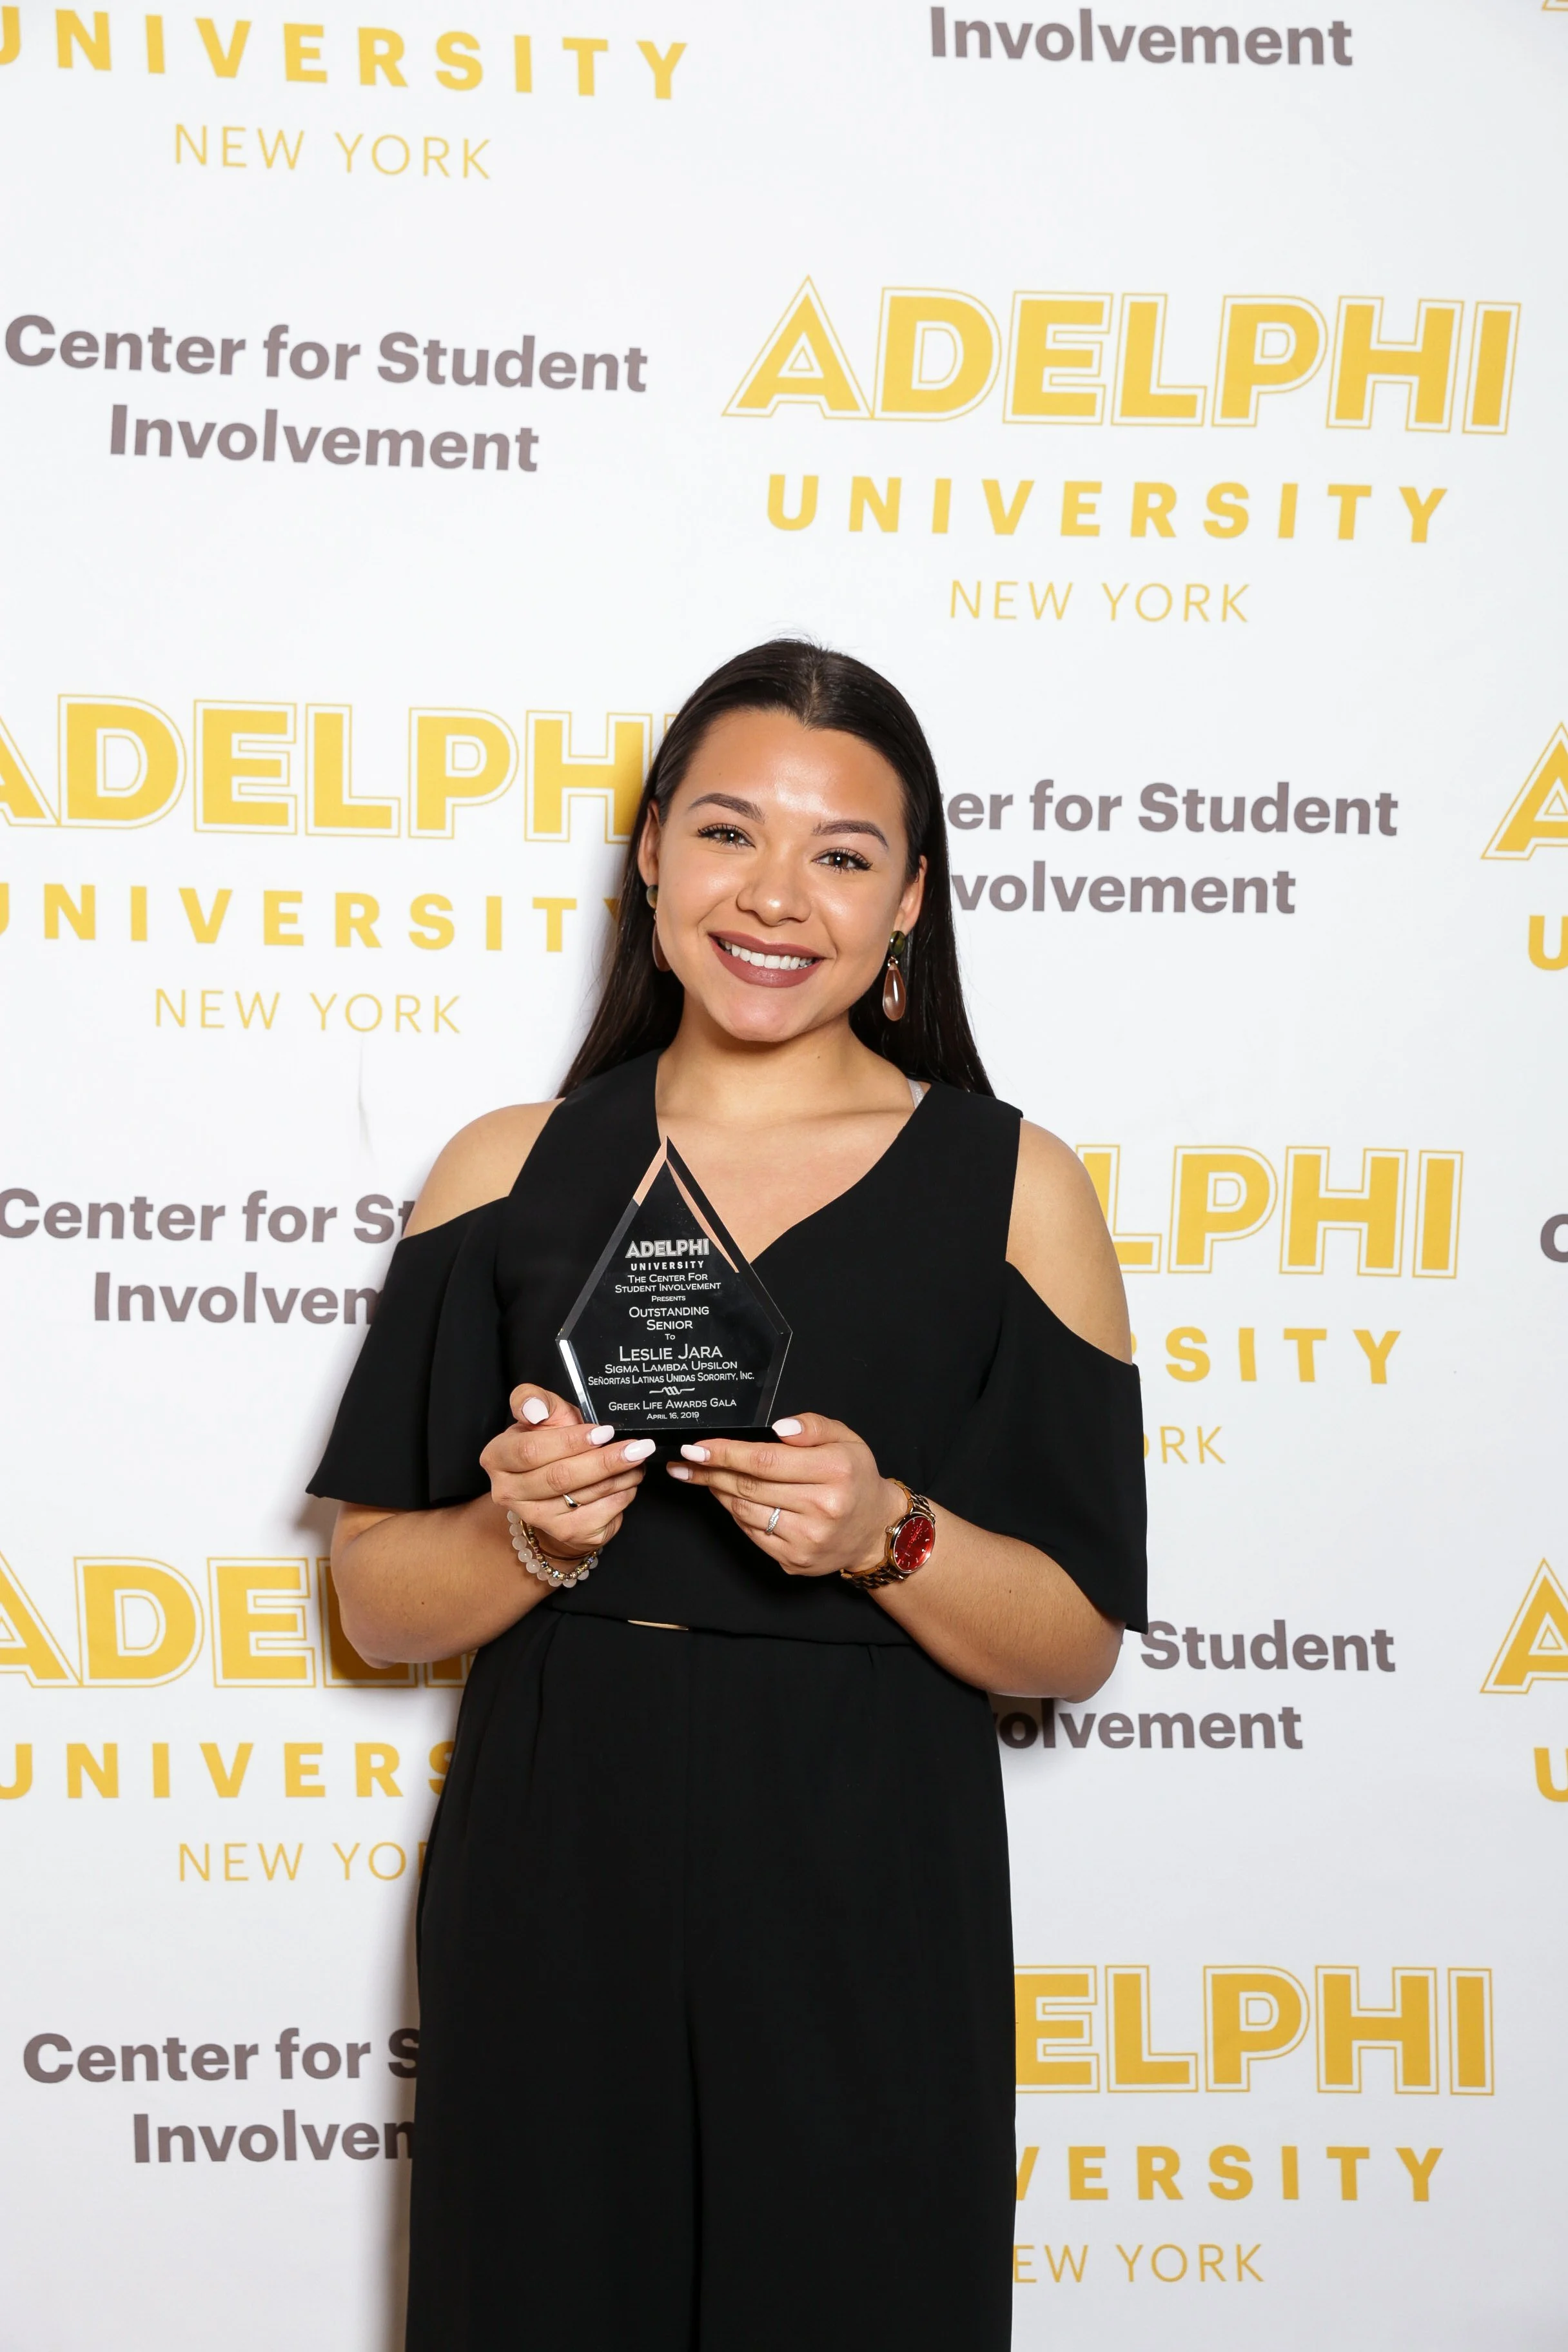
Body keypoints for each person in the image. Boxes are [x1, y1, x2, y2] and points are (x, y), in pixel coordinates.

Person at [311, 639, 1147, 2351]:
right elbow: (378, 1606)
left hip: (866, 1857)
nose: (779, 896)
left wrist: (886, 1533)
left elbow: (1069, 1642)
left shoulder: (1015, 1187)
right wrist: (523, 1533)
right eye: (727, 832)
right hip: (560, 1842)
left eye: (844, 854)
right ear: (648, 854)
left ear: (912, 900)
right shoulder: (503, 1170)